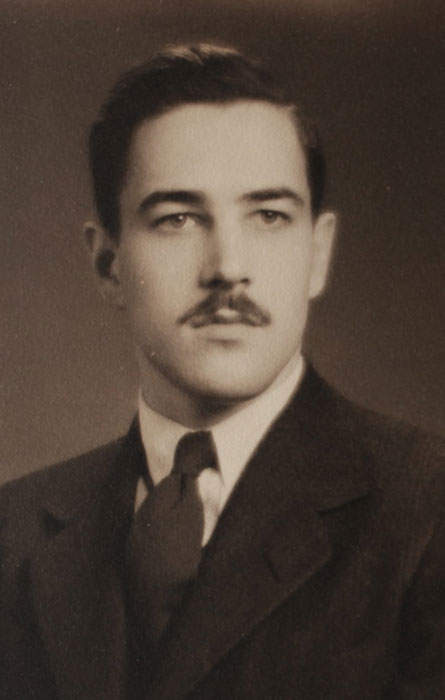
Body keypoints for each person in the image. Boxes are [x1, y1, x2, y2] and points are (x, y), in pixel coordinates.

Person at [1, 43, 444, 700]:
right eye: (177, 218)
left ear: (317, 253)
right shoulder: (12, 529)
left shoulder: (426, 512)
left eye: (268, 216)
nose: (228, 267)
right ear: (108, 265)